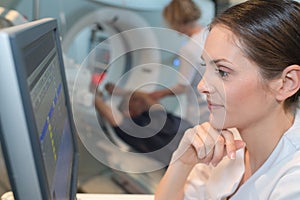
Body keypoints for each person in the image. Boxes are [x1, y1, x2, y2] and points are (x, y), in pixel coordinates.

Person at [155, 0, 300, 199]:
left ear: (286, 83)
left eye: (223, 72)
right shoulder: (225, 144)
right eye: (206, 68)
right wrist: (182, 162)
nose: (202, 86)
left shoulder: (294, 181)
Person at [95, 83, 192, 165]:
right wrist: (95, 97)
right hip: (185, 156)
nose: (140, 101)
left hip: (192, 138)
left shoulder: (157, 115)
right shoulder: (133, 130)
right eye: (134, 101)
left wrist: (121, 91)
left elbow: (147, 99)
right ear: (127, 111)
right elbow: (113, 118)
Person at [149, 0, 209, 125]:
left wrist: (158, 94)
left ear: (176, 21)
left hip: (201, 109)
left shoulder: (188, 49)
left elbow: (182, 86)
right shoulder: (210, 33)